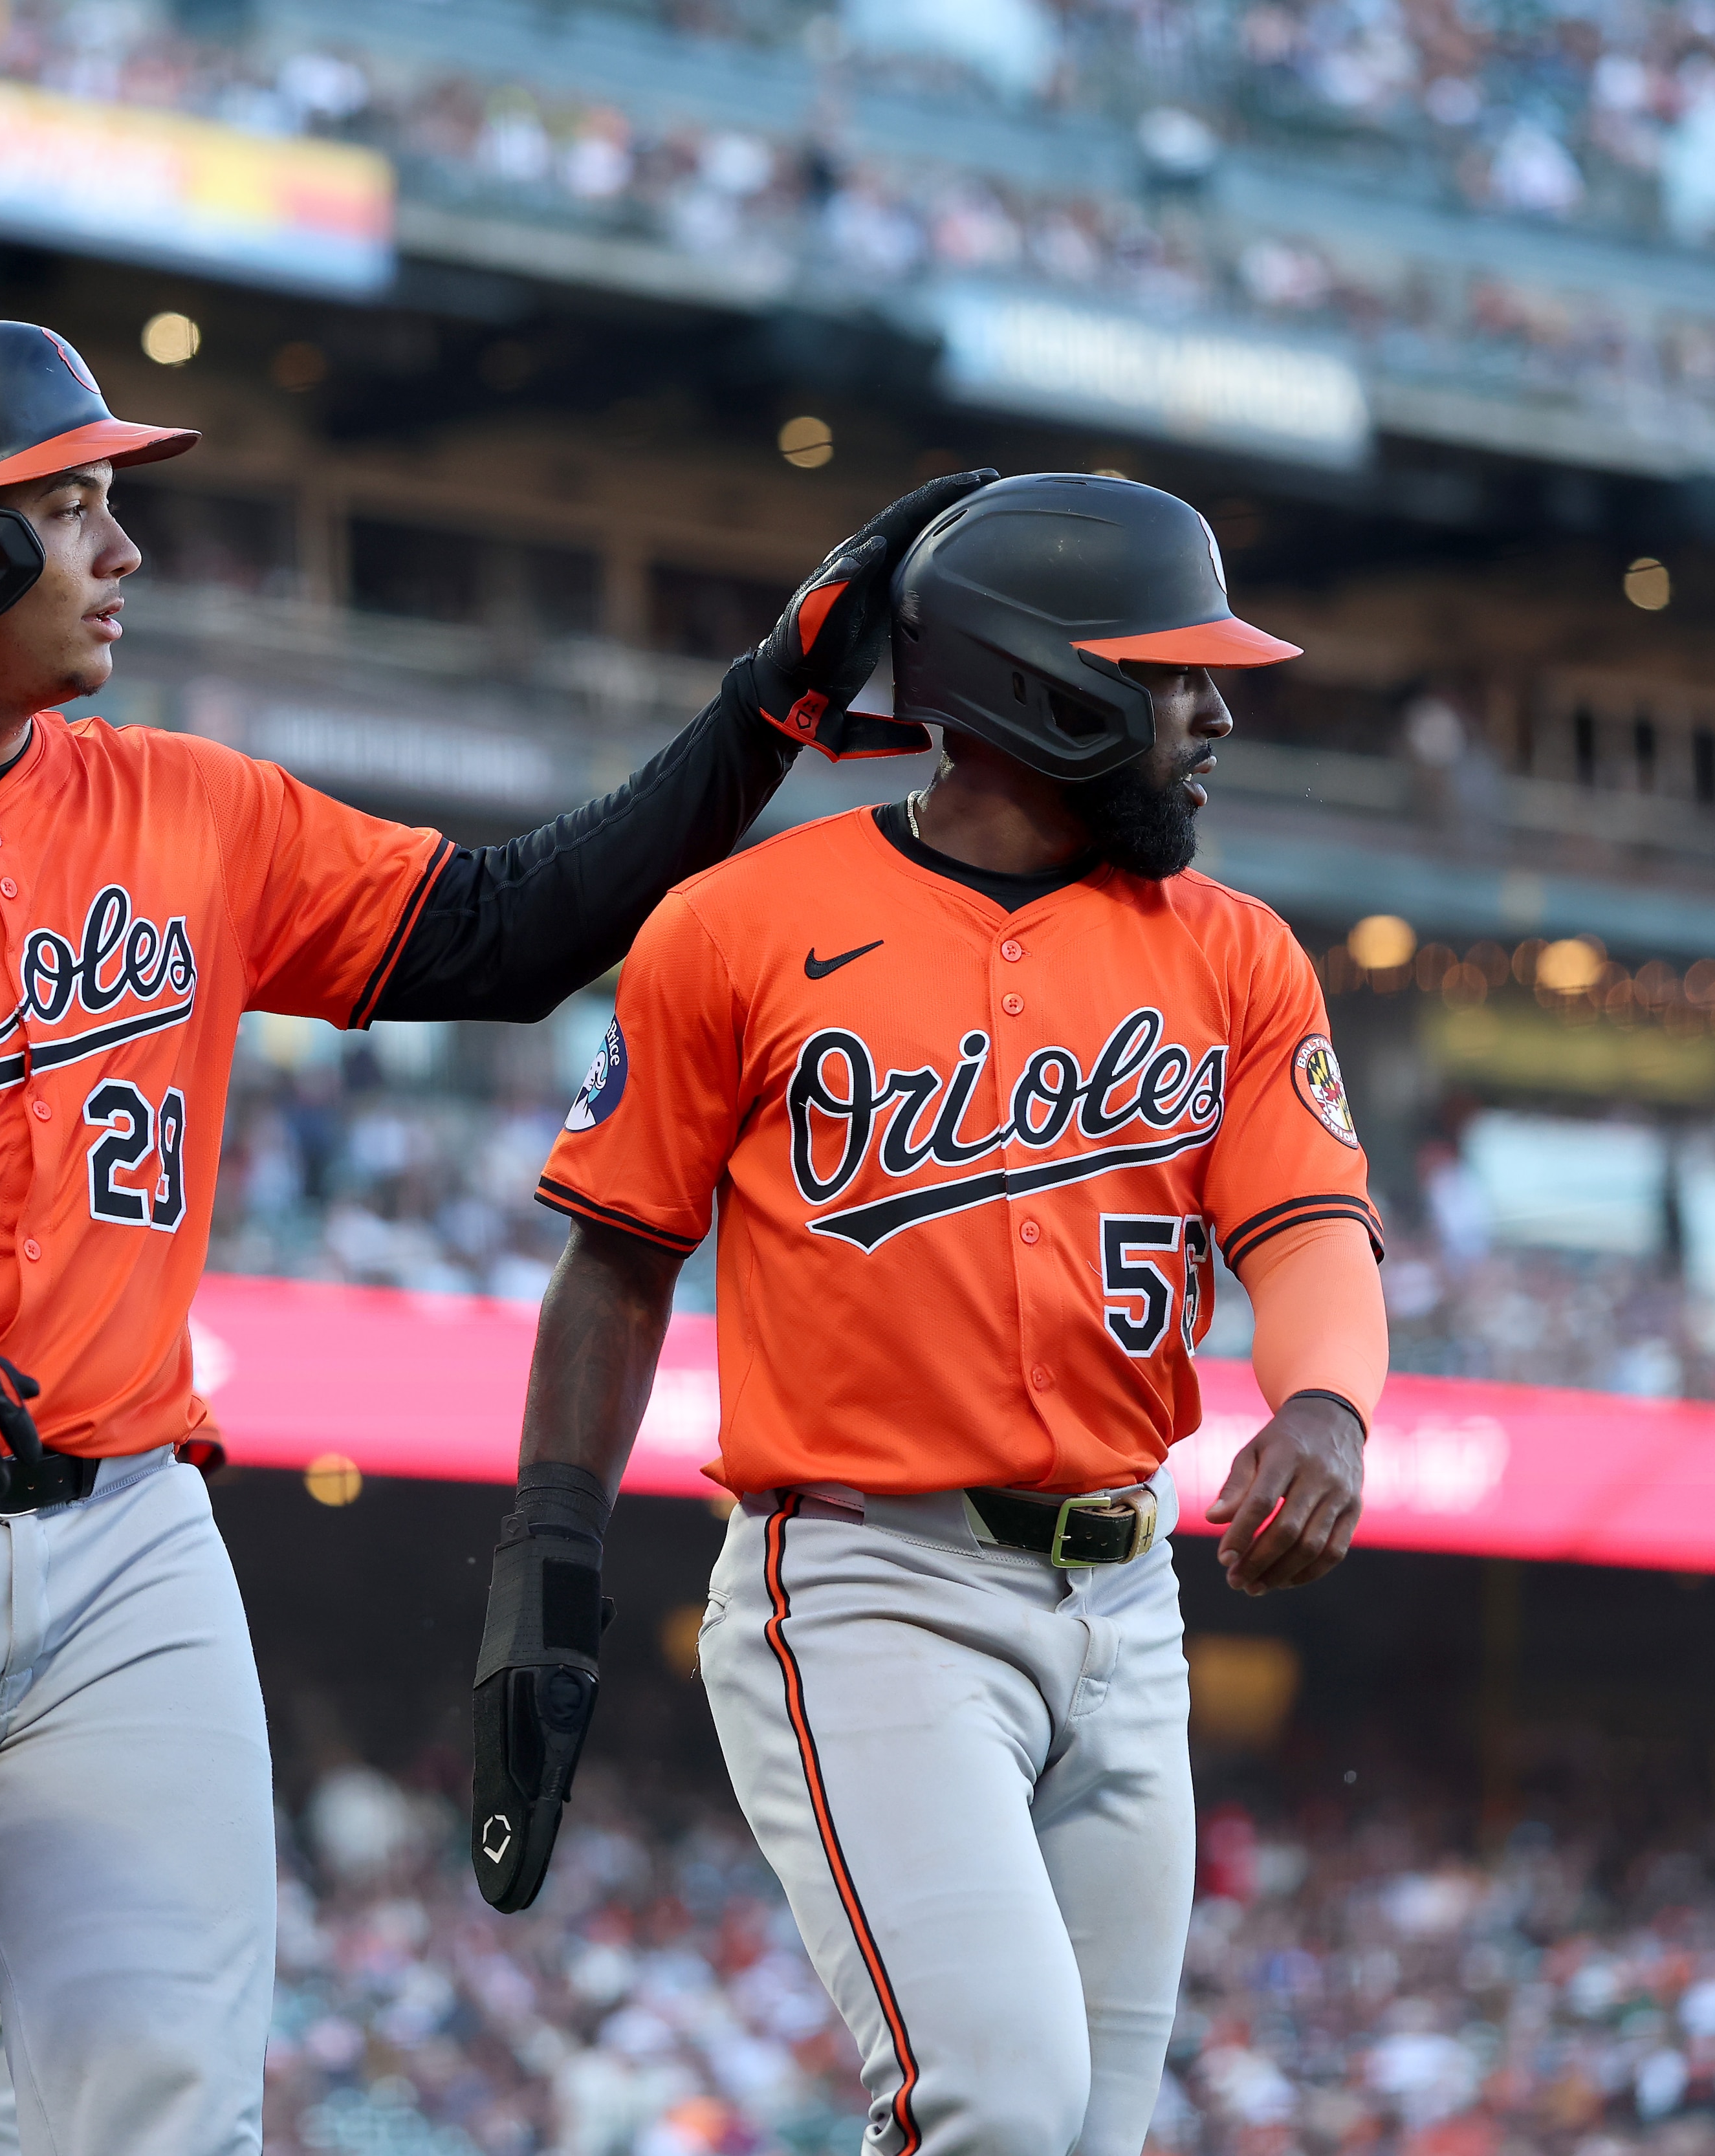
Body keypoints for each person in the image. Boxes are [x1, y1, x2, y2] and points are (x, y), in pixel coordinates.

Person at [0, 314, 988, 2156]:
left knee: (174, 2117)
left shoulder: (183, 802)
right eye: (72, 509)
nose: (123, 552)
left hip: (127, 1550)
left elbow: (511, 930)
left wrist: (763, 705)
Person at [474, 474, 1390, 2155]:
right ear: (1048, 684)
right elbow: (616, 1259)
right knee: (997, 2102)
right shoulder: (743, 924)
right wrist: (552, 1551)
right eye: (1177, 671)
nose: (1220, 710)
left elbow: (1313, 1227)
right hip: (868, 1579)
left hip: (1132, 1603)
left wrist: (1325, 1402)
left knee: (1088, 2136)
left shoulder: (1239, 953)